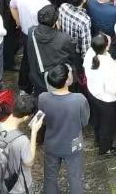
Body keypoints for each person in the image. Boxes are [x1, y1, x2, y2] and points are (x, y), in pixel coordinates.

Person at [37, 63, 90, 194]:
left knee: (50, 177)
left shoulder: (43, 98)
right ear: (67, 80)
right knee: (75, 177)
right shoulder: (79, 99)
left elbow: (42, 121)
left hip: (51, 143)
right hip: (73, 144)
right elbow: (84, 121)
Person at [83, 33, 116, 157]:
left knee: (97, 119)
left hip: (93, 93)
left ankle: (98, 139)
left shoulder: (90, 53)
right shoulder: (109, 65)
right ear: (106, 47)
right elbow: (113, 89)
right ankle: (105, 149)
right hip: (107, 99)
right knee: (107, 124)